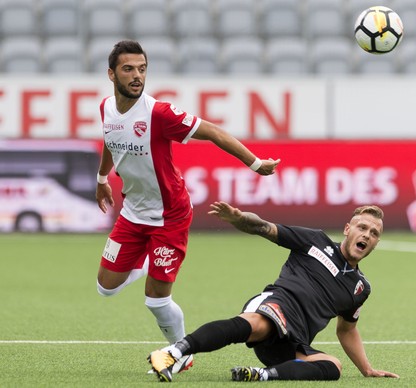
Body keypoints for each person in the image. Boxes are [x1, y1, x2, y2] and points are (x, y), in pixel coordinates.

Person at [95, 40, 280, 375]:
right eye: (128, 69)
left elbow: (213, 131)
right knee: (104, 288)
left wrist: (254, 164)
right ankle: (149, 259)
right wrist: (101, 177)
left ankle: (181, 354)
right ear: (111, 73)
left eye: (142, 68)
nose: (137, 76)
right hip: (133, 213)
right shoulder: (107, 107)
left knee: (155, 299)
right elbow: (111, 139)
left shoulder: (159, 113)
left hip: (170, 216)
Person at [147, 201, 400, 382]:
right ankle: (173, 353)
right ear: (348, 229)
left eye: (373, 233)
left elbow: (347, 329)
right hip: (277, 306)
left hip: (294, 340)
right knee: (258, 325)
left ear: (376, 242)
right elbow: (266, 228)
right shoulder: (315, 241)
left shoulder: (360, 288)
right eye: (362, 227)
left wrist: (367, 369)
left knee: (333, 367)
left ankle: (262, 375)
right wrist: (240, 219)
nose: (366, 234)